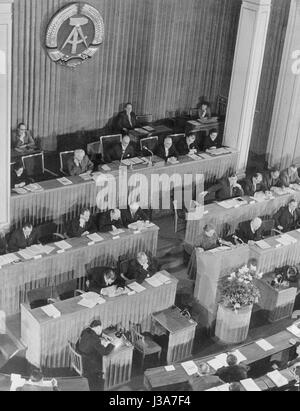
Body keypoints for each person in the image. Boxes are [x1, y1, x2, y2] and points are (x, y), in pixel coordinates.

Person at [76, 320, 114, 391]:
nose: (101, 330)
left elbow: (97, 334)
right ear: (98, 327)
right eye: (101, 328)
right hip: (88, 364)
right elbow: (105, 352)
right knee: (102, 358)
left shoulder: (86, 330)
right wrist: (112, 344)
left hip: (81, 354)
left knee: (98, 352)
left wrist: (104, 335)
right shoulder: (95, 339)